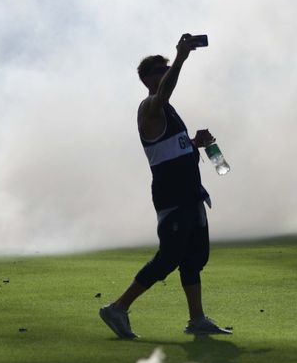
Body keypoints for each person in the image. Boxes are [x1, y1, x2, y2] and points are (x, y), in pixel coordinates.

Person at [99, 33, 230, 339]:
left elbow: (170, 150)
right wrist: (182, 57)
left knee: (194, 257)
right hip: (173, 195)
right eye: (162, 69)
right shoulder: (151, 106)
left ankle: (197, 319)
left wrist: (194, 144)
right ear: (149, 79)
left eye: (167, 67)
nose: (167, 71)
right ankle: (117, 308)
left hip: (190, 193)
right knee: (169, 256)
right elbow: (164, 94)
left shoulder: (167, 111)